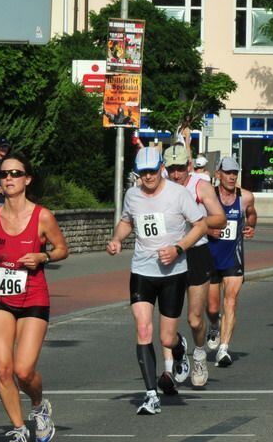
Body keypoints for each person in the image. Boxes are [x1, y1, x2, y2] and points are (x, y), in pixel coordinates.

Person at [0, 153, 69, 442]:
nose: (9, 178)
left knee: (24, 371)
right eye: (4, 174)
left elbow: (62, 249)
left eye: (16, 173)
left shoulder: (42, 216)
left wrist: (44, 256)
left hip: (33, 296)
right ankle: (17, 429)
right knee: (3, 368)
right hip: (1, 297)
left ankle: (38, 405)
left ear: (27, 179)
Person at [106, 147, 206, 415]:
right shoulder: (133, 195)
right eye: (143, 173)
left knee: (166, 337)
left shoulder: (178, 194)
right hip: (142, 270)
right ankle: (151, 394)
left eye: (152, 171)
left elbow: (200, 225)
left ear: (162, 167)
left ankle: (179, 346)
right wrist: (117, 238)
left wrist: (179, 248)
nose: (148, 177)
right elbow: (127, 221)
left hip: (173, 272)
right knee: (143, 330)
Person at [162, 143, 226, 389]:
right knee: (169, 318)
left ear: (189, 165)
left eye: (180, 168)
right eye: (171, 169)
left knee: (195, 319)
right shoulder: (160, 188)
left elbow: (219, 218)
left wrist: (196, 220)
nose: (176, 174)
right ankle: (172, 365)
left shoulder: (200, 186)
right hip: (169, 254)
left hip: (196, 253)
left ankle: (199, 354)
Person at [205, 157, 256, 367]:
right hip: (210, 256)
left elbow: (252, 215)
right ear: (218, 174)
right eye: (227, 172)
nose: (232, 176)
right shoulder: (209, 196)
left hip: (233, 257)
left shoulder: (245, 197)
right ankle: (214, 325)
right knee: (212, 307)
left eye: (235, 172)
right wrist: (209, 229)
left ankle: (224, 349)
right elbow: (195, 221)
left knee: (231, 301)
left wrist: (251, 226)